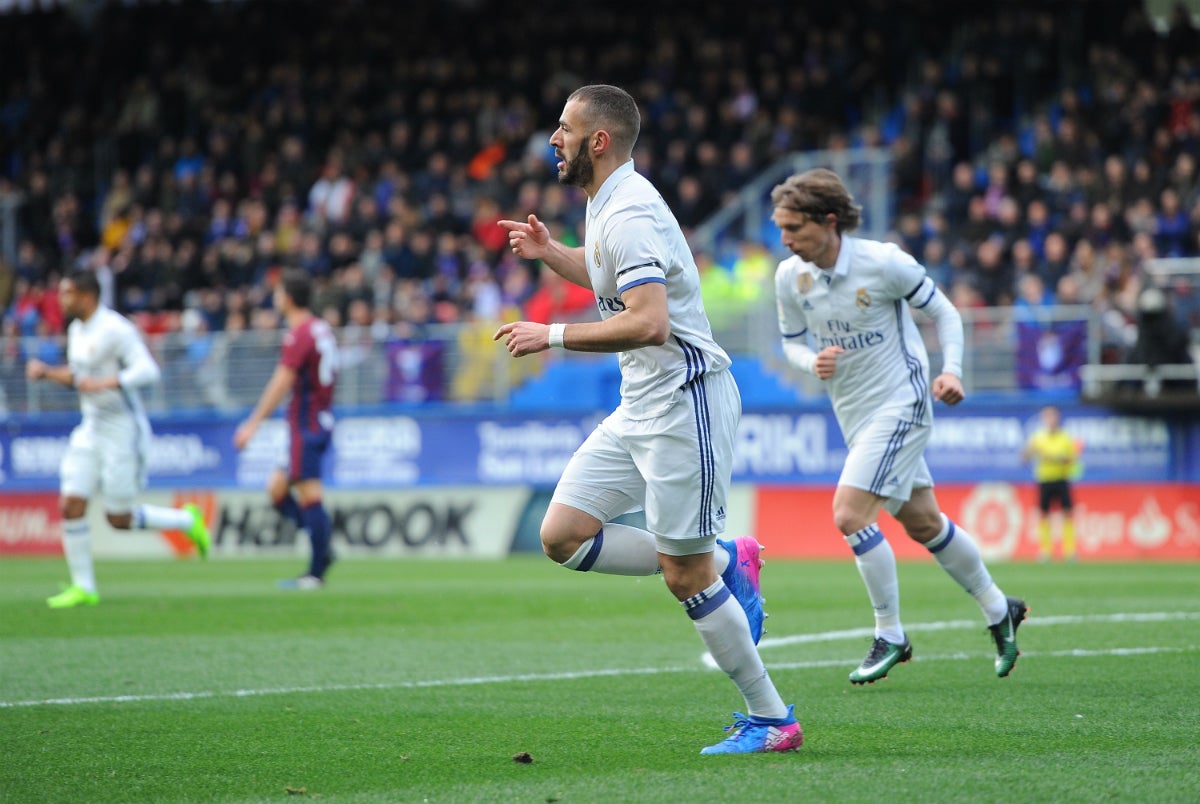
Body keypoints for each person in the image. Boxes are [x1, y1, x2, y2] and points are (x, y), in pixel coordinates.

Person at [495, 84, 801, 755]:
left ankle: (772, 718)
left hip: (683, 401)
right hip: (642, 405)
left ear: (597, 142)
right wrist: (552, 253)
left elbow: (650, 322)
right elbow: (612, 282)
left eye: (565, 128)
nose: (553, 138)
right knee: (563, 535)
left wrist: (550, 337)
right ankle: (729, 557)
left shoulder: (629, 210)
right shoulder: (607, 203)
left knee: (683, 575)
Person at [769, 168, 1027, 682]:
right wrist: (808, 362)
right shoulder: (789, 276)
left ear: (829, 221)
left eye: (794, 228)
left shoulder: (883, 263)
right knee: (923, 522)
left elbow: (947, 314)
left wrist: (951, 369)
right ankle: (1002, 610)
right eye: (781, 228)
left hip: (902, 401)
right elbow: (791, 342)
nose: (785, 239)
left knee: (849, 513)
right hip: (855, 413)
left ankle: (890, 634)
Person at [25, 269, 210, 609]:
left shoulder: (116, 329)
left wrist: (107, 383)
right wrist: (48, 373)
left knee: (118, 518)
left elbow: (148, 371)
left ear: (86, 295)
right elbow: (81, 377)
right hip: (91, 425)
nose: (61, 300)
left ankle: (187, 521)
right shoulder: (77, 329)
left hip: (122, 429)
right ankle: (85, 587)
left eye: (66, 293)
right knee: (71, 504)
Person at [233, 270, 337, 590]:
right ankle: (323, 549)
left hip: (305, 423)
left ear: (288, 298)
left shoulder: (300, 334)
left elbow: (282, 382)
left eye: (278, 293)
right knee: (277, 488)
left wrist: (252, 424)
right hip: (317, 417)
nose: (275, 298)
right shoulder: (321, 329)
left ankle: (316, 572)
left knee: (308, 492)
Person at [1021, 405, 1081, 562]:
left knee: (1067, 513)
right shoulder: (1038, 437)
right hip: (1045, 480)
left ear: (1058, 418)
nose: (1050, 419)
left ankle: (1070, 551)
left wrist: (1057, 458)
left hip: (1062, 479)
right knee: (1044, 514)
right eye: (1047, 416)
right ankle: (1045, 551)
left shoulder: (1065, 437)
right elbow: (1024, 458)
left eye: (1053, 416)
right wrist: (1029, 452)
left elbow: (1072, 459)